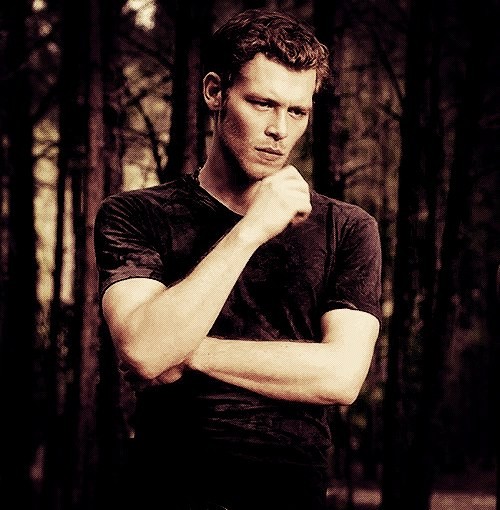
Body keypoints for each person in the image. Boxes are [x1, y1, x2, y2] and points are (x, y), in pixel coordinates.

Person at [94, 8, 382, 510]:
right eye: (262, 104)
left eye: (297, 112)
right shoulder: (135, 214)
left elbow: (340, 375)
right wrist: (250, 230)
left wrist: (186, 352)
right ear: (215, 92)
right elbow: (142, 350)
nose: (279, 129)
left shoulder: (349, 227)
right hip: (166, 491)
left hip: (290, 497)